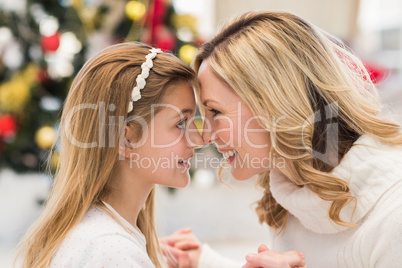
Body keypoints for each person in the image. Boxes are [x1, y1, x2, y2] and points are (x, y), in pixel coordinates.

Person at [162, 11, 402, 268]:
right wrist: (205, 261)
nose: (205, 136)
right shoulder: (291, 188)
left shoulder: (393, 213)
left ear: (274, 104)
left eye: (215, 112)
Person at [14, 42, 204, 268]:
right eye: (181, 123)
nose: (198, 139)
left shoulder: (105, 241)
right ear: (127, 139)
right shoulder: (111, 251)